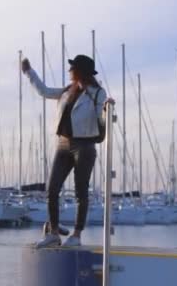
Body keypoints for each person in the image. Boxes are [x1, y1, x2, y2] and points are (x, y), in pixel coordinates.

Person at [21, 54, 115, 248]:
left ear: (80, 71)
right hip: (63, 143)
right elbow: (44, 91)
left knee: (81, 192)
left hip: (85, 145)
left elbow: (101, 118)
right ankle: (54, 233)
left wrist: (107, 110)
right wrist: (29, 72)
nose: (69, 70)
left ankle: (77, 235)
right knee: (52, 189)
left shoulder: (98, 93)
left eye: (72, 67)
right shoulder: (67, 90)